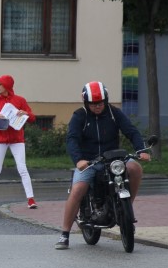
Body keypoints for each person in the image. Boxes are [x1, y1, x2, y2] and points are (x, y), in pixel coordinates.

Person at [55, 81, 151, 249]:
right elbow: (72, 139)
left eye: (100, 103)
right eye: (93, 103)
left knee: (135, 168)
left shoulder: (114, 113)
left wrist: (141, 150)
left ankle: (126, 211)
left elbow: (131, 131)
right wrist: (79, 160)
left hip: (114, 159)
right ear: (86, 102)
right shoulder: (80, 116)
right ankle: (64, 234)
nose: (97, 106)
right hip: (90, 161)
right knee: (78, 189)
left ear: (106, 101)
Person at [0, 74, 37, 211]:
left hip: (17, 139)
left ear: (7, 86)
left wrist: (25, 114)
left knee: (22, 168)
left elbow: (33, 118)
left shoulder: (20, 100)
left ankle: (31, 199)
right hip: (0, 140)